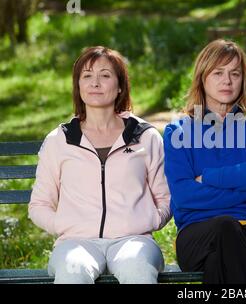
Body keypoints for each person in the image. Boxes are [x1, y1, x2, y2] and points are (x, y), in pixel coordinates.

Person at [28, 46, 171, 284]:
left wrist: (152, 221)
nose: (95, 83)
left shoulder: (145, 136)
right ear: (78, 86)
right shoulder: (59, 140)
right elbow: (39, 204)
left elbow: (165, 197)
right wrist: (63, 225)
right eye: (87, 76)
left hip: (134, 240)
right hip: (75, 242)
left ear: (120, 86)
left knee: (138, 270)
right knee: (72, 271)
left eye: (105, 75)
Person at [163, 39, 246, 284]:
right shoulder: (178, 130)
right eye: (218, 73)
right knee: (225, 228)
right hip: (197, 234)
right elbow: (184, 195)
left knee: (222, 246)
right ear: (202, 77)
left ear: (244, 78)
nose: (227, 81)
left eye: (235, 73)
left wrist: (208, 177)